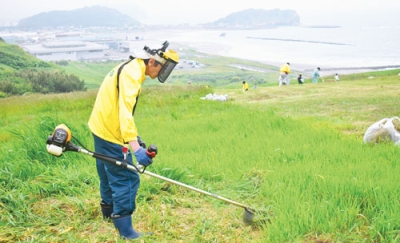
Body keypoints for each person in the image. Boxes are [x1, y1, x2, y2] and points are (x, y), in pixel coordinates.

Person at [88, 41, 179, 240]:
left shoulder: (129, 67)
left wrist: (133, 137)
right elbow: (125, 112)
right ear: (153, 62)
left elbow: (118, 105)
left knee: (106, 171)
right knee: (126, 178)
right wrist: (135, 147)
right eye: (164, 67)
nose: (164, 71)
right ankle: (126, 231)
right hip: (110, 133)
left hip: (100, 127)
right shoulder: (132, 74)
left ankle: (108, 212)